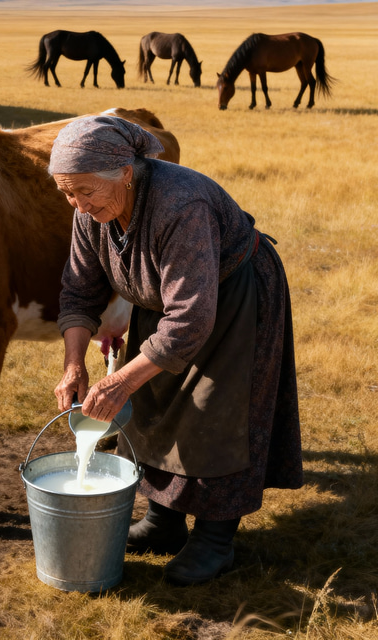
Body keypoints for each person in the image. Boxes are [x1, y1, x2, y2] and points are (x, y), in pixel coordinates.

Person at [49, 115, 302, 586]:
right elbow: (79, 292)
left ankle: (214, 539)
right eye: (67, 192)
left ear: (125, 172)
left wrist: (120, 379)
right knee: (153, 406)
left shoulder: (181, 203)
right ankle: (165, 520)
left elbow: (190, 318)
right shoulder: (90, 212)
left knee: (215, 412)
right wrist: (73, 365)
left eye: (85, 191)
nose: (78, 205)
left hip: (232, 299)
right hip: (168, 306)